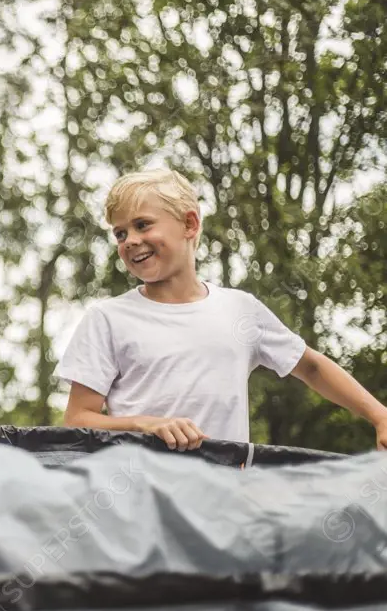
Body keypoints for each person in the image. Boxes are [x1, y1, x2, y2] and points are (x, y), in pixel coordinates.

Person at [55, 167, 387, 451]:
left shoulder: (239, 310)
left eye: (143, 225)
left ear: (189, 224)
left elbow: (311, 368)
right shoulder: (108, 319)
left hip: (225, 508)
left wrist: (379, 415)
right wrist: (144, 424)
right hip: (141, 507)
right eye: (120, 233)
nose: (129, 241)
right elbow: (78, 421)